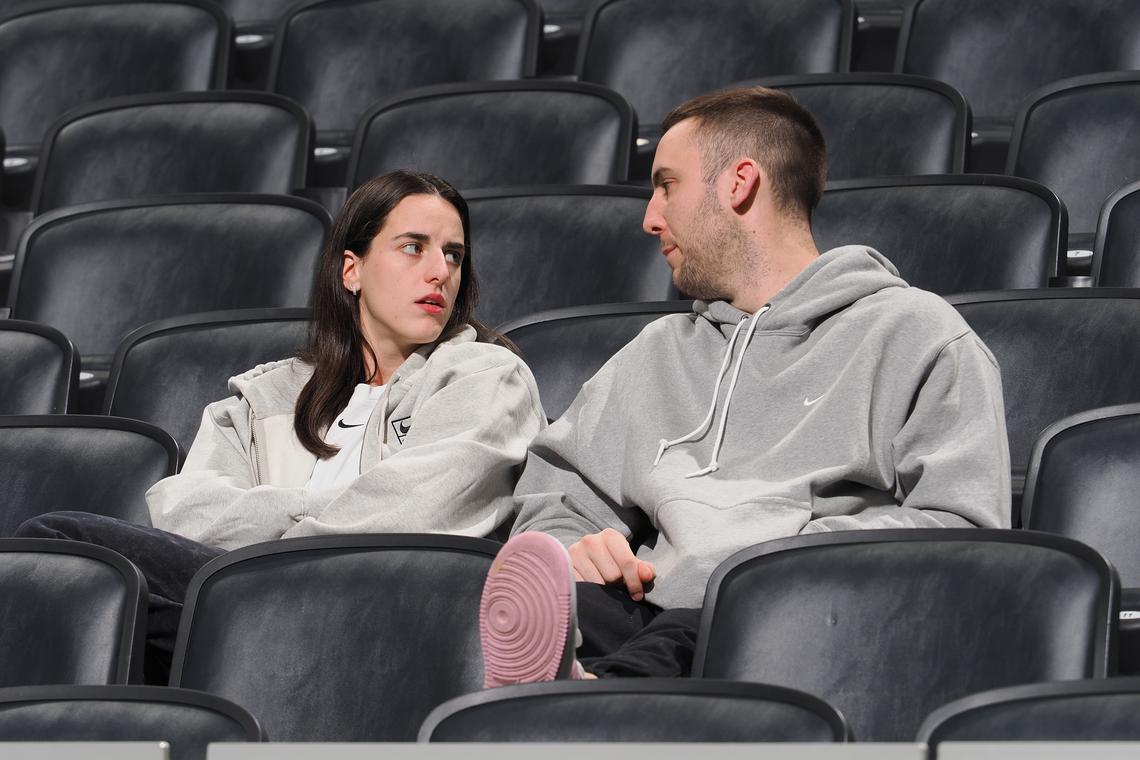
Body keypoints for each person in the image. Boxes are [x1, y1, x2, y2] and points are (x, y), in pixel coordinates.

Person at [478, 87, 1011, 686]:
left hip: (803, 610)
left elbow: (965, 529)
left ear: (738, 184)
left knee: (705, 631)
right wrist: (572, 546)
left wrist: (777, 555)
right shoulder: (658, 351)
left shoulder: (916, 333)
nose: (649, 217)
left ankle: (588, 704)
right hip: (646, 605)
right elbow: (558, 494)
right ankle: (570, 696)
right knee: (504, 631)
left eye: (666, 184)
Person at [17, 170, 546, 681]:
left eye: (453, 254)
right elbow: (183, 512)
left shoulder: (487, 377)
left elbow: (416, 519)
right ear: (351, 270)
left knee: (60, 538)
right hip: (251, 606)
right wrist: (306, 523)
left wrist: (262, 547)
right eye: (413, 247)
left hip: (391, 609)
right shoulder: (261, 397)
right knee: (67, 564)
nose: (440, 271)